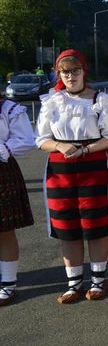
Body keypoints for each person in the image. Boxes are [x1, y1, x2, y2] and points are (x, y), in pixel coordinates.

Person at [36, 49, 108, 304]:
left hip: (94, 166)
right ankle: (73, 283)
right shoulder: (52, 102)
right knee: (67, 227)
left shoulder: (100, 100)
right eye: (65, 72)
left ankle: (98, 280)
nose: (70, 76)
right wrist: (59, 146)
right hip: (60, 169)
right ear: (59, 74)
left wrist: (85, 149)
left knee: (96, 226)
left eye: (75, 70)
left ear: (84, 71)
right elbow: (41, 139)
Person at [0, 90, 36, 306]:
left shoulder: (8, 108)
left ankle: (8, 282)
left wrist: (2, 148)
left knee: (4, 230)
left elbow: (26, 140)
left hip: (2, 170)